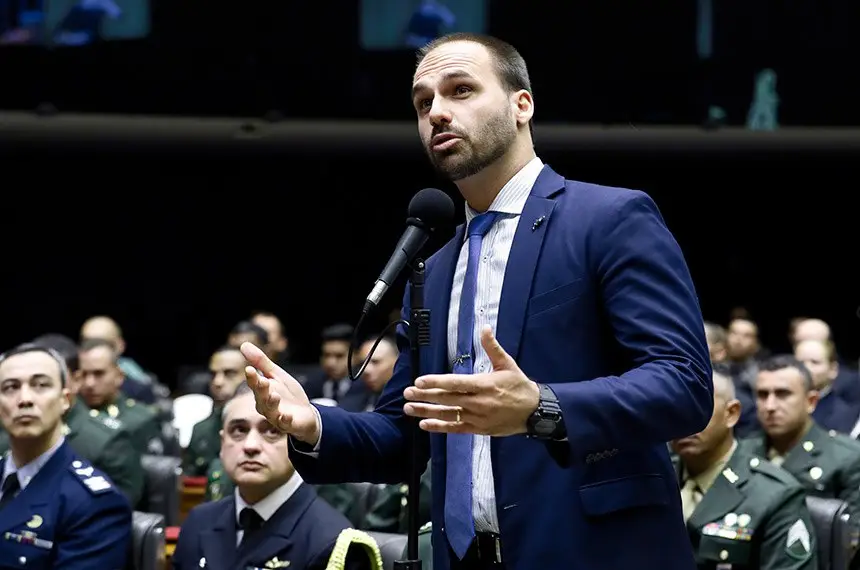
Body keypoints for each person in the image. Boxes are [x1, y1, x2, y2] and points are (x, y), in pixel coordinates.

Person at [241, 32, 712, 570]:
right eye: (423, 103)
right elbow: (405, 432)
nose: (437, 112)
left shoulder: (609, 219)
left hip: (594, 551)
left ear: (522, 105)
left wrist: (541, 408)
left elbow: (684, 385)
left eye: (460, 90)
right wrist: (312, 424)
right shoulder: (436, 269)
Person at [172, 384, 370, 570]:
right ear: (223, 443)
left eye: (272, 431)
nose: (251, 446)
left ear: (299, 442)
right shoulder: (198, 521)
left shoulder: (331, 541)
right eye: (239, 430)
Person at [0, 343, 132, 569]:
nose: (24, 399)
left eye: (40, 385)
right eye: (10, 387)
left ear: (66, 400)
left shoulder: (95, 503)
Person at [672, 370, 816, 569]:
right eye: (671, 410)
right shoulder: (653, 479)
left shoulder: (775, 494)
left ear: (731, 414)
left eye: (697, 406)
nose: (683, 421)